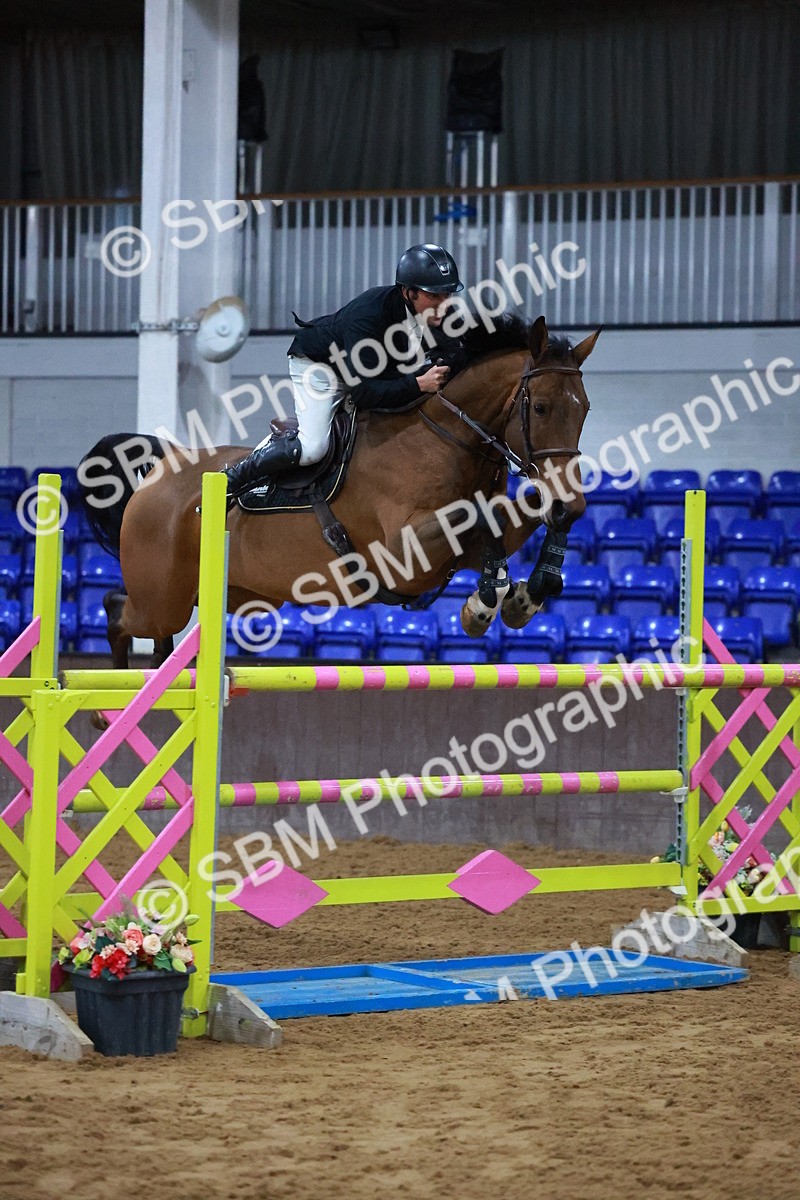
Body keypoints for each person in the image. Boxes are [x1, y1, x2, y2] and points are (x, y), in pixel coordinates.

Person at [224, 243, 464, 498]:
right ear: (408, 292)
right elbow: (363, 393)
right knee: (313, 448)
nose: (443, 304)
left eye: (448, 295)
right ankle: (235, 477)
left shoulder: (442, 315)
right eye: (434, 296)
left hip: (371, 371)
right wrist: (418, 385)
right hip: (321, 368)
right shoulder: (370, 314)